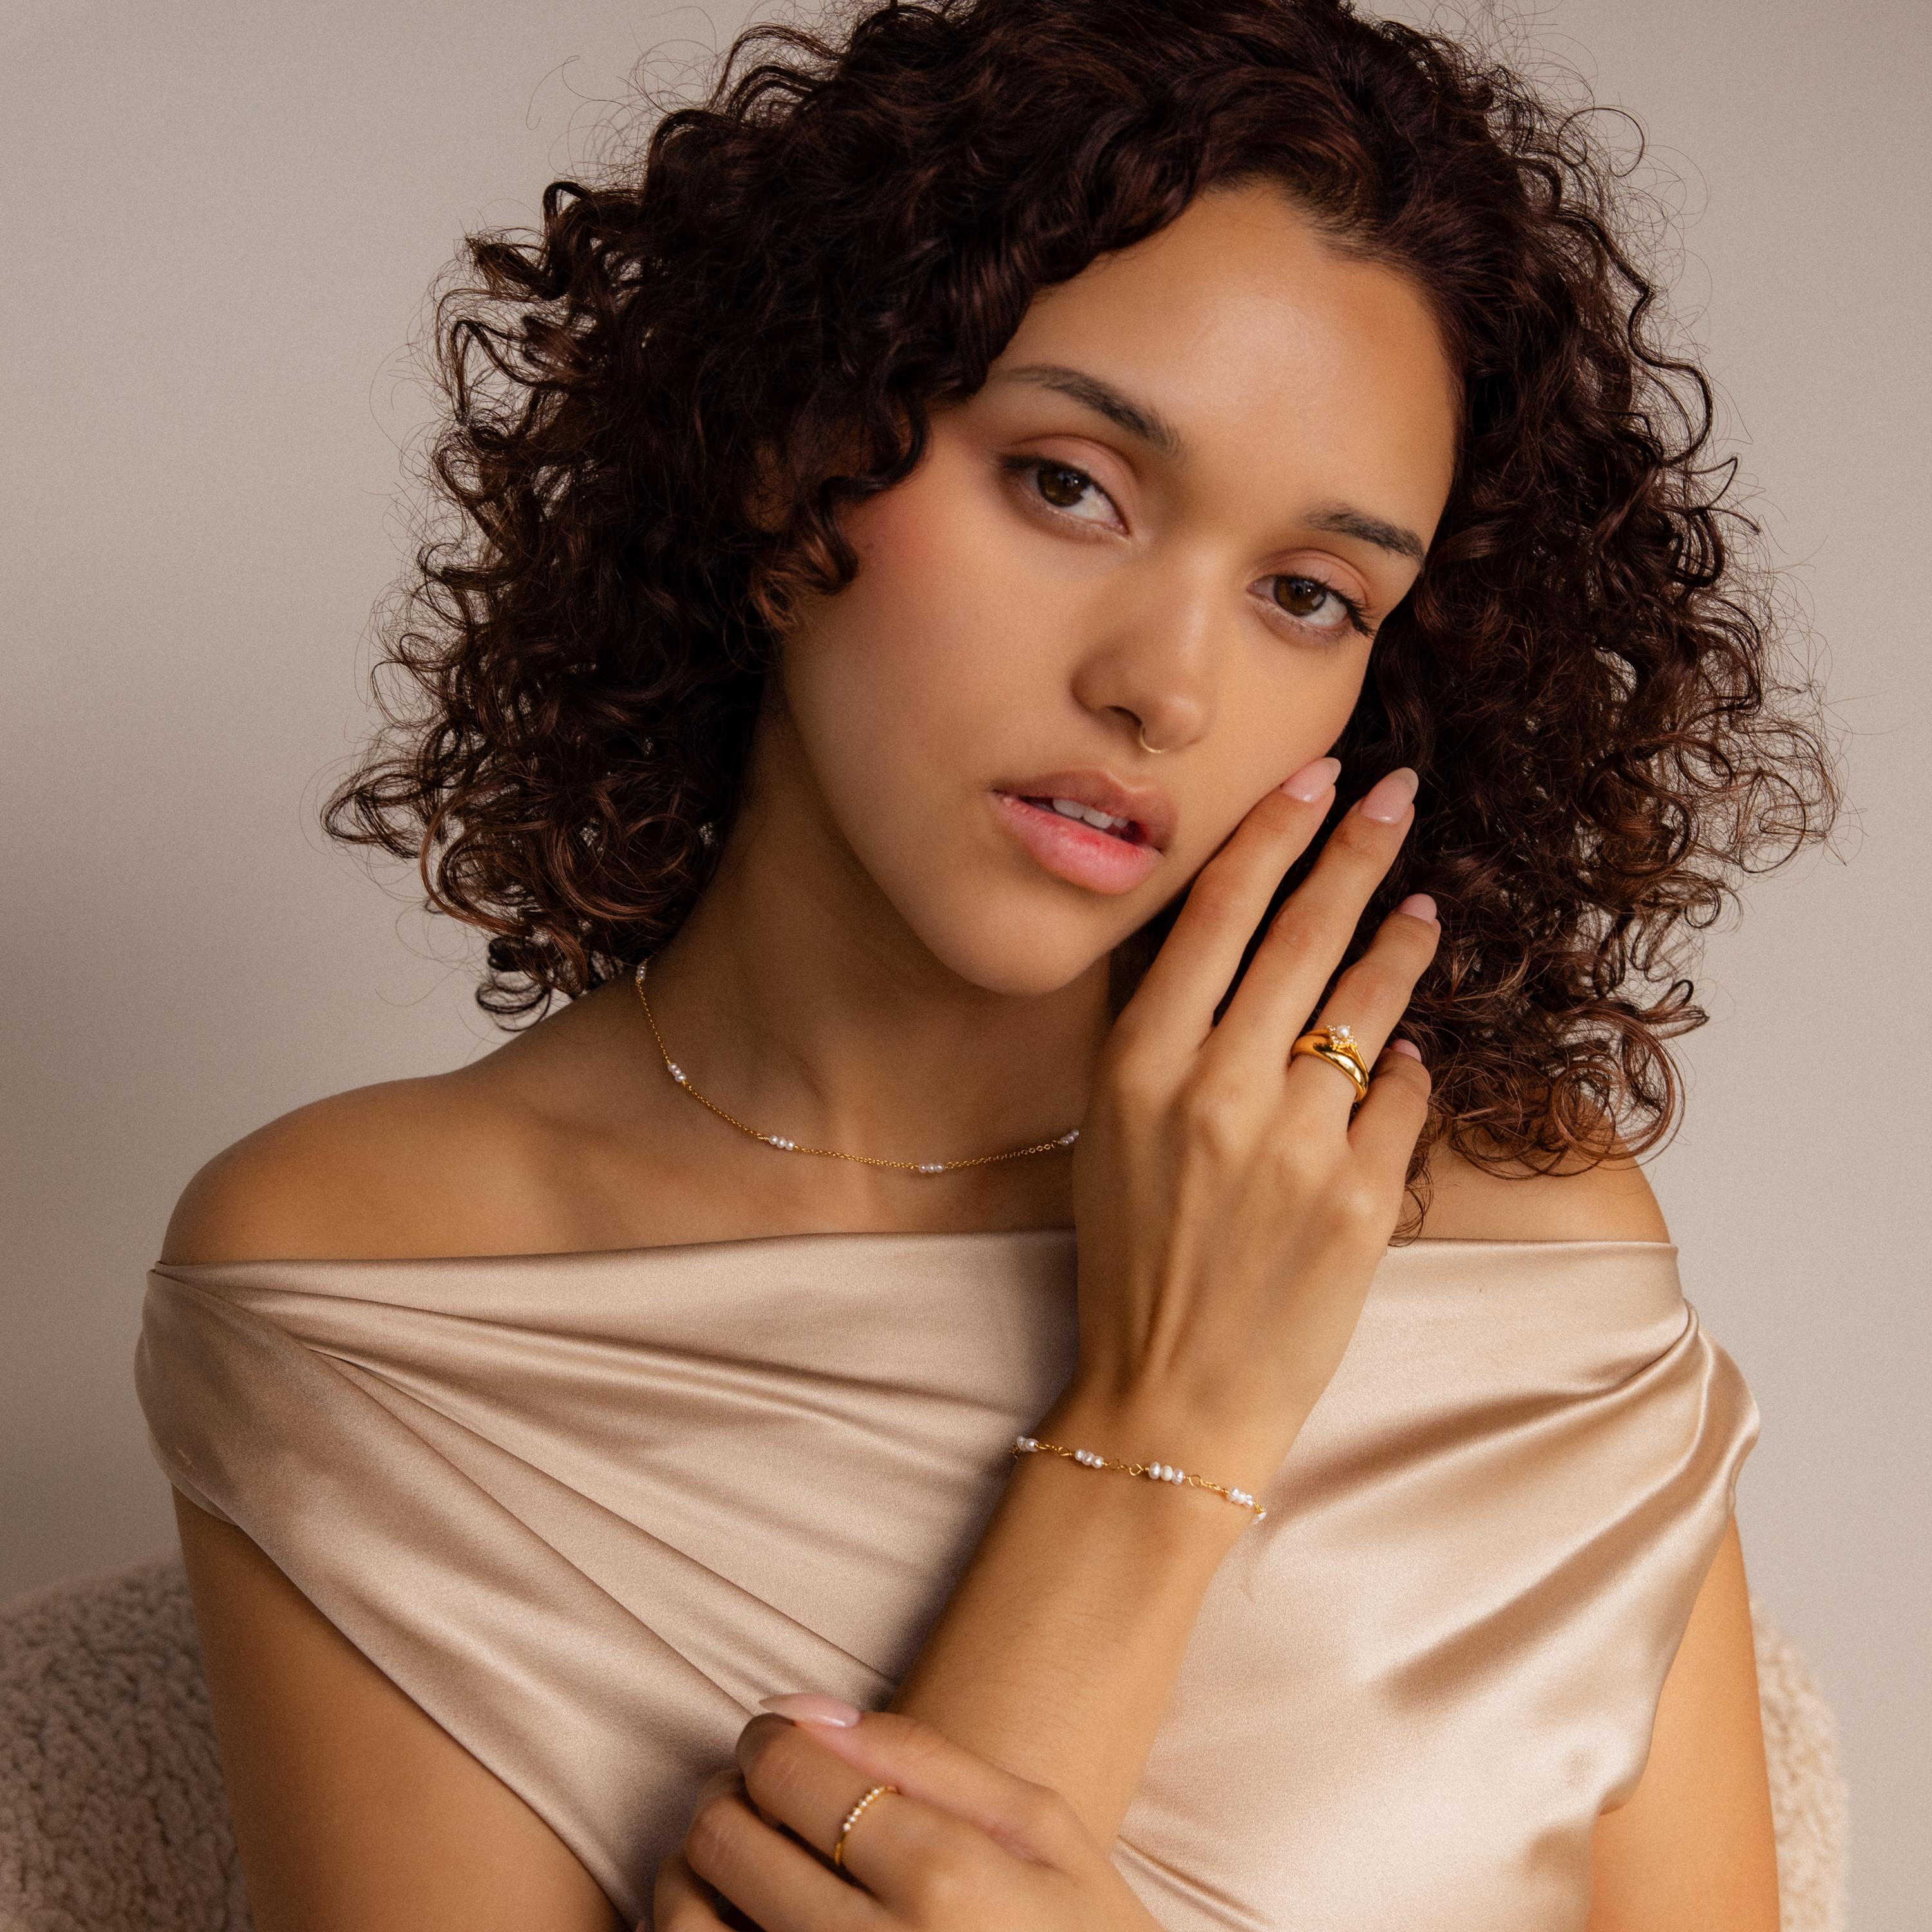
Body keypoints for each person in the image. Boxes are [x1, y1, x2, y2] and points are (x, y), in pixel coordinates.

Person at [133, 0, 1838, 1926]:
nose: (1165, 686)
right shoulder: (376, 1276)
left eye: (1307, 594)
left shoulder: (1525, 1259)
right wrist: (1164, 1423)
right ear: (796, 451)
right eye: (1071, 485)